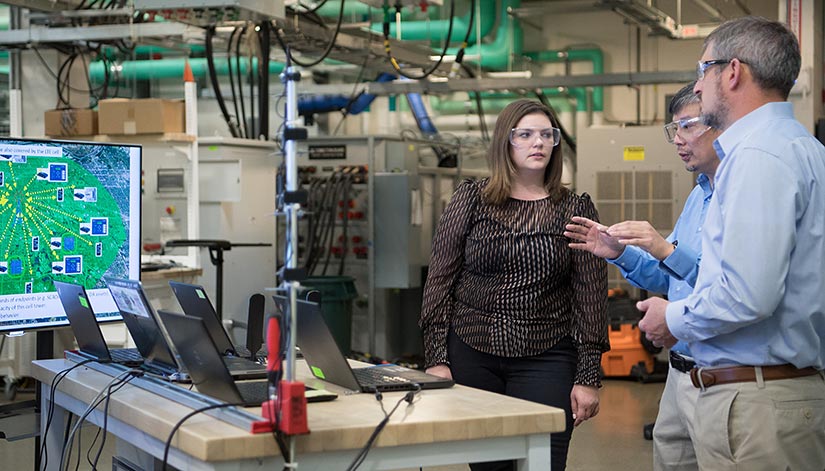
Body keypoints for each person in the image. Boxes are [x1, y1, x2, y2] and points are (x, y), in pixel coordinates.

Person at [636, 16, 825, 470]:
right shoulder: (802, 147)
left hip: (756, 401)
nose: (698, 87)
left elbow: (747, 295)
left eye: (704, 71)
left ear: (733, 72)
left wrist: (672, 317)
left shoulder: (757, 155)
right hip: (763, 393)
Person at [419, 99, 608, 471]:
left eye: (546, 135)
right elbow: (440, 279)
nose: (537, 143)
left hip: (548, 357)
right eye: (525, 134)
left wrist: (588, 376)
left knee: (543, 463)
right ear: (505, 143)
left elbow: (590, 296)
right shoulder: (471, 200)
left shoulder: (575, 209)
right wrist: (436, 359)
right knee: (490, 465)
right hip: (473, 354)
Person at [563, 82, 719, 470]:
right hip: (681, 375)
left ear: (720, 123)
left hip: (722, 378)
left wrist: (664, 247)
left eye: (687, 126)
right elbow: (671, 278)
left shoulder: (738, 193)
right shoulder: (698, 195)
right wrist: (619, 251)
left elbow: (728, 286)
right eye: (674, 129)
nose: (678, 140)